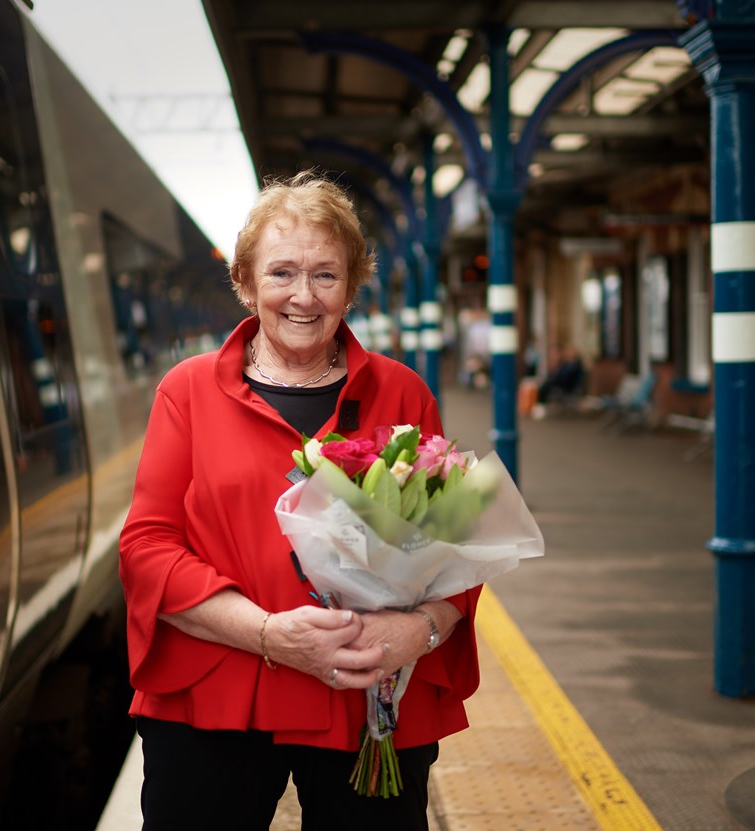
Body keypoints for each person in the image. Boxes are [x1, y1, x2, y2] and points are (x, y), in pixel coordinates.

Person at [118, 171, 483, 830]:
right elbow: (146, 549)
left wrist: (420, 628)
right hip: (216, 691)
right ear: (246, 282)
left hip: (364, 695)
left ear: (351, 285)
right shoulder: (188, 390)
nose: (303, 296)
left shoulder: (404, 392)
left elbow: (454, 549)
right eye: (282, 272)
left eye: (325, 275)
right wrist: (264, 634)